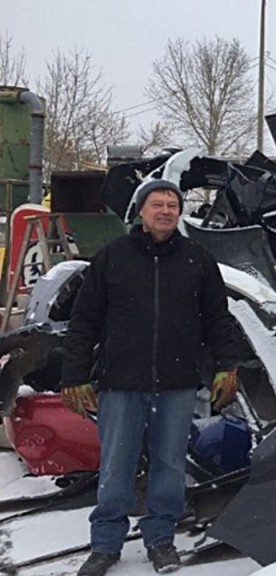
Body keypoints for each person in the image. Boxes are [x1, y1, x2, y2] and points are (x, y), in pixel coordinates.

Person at [60, 179, 240, 576]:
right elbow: (84, 321)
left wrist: (227, 365)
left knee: (170, 466)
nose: (165, 211)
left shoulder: (197, 259)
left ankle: (161, 540)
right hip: (121, 381)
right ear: (140, 212)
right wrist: (74, 375)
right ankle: (105, 545)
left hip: (176, 382)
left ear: (180, 212)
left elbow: (217, 320)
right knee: (116, 466)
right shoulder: (111, 258)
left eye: (172, 205)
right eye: (156, 204)